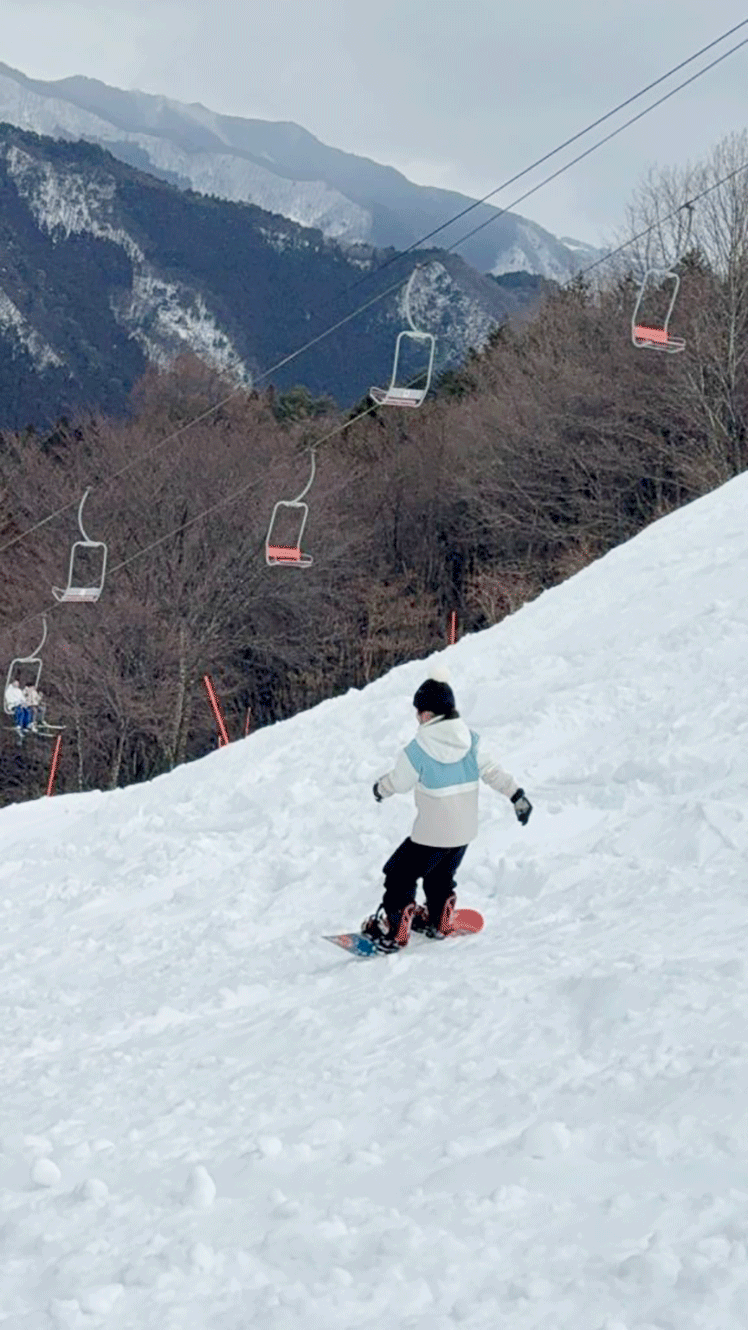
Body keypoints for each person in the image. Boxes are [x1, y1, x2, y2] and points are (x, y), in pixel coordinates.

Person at [363, 667, 533, 951]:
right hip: (463, 833)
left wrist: (380, 788)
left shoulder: (418, 748)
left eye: (418, 712)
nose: (417, 718)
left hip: (431, 834)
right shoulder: (471, 741)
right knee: (440, 876)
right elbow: (492, 771)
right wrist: (516, 795)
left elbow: (400, 782)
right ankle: (440, 919)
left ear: (427, 714)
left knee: (398, 874)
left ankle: (396, 928)